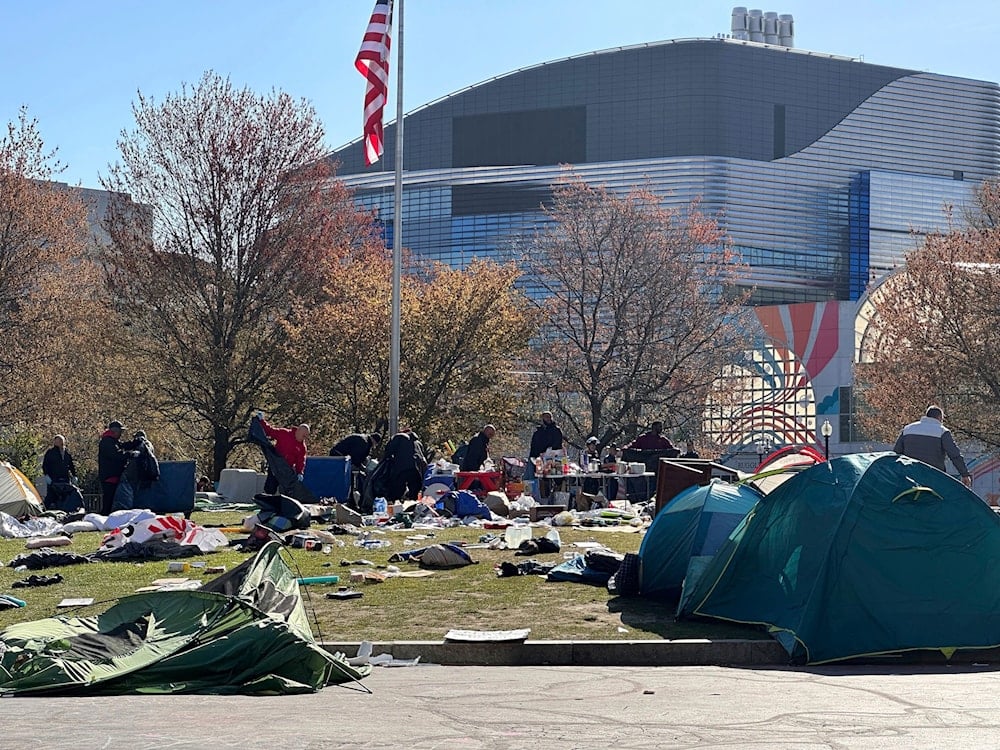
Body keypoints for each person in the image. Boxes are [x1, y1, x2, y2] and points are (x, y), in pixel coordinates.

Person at [893, 405, 972, 487]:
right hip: (934, 477)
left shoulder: (907, 429)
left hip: (910, 476)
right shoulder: (942, 431)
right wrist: (964, 474)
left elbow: (896, 453)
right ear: (939, 417)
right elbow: (954, 455)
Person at [259, 416, 309, 494]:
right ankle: (265, 501)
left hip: (287, 470)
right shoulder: (284, 433)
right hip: (275, 466)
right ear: (298, 431)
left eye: (306, 437)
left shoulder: (302, 447)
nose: (304, 438)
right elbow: (270, 431)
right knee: (270, 487)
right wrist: (262, 420)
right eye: (303, 435)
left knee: (288, 491)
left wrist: (300, 473)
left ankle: (283, 504)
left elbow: (301, 461)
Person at [97, 420, 131, 515]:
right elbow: (116, 454)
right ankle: (105, 516)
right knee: (109, 499)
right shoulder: (107, 442)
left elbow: (122, 445)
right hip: (109, 475)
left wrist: (134, 443)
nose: (121, 434)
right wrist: (130, 454)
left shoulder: (112, 441)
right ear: (115, 431)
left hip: (112, 475)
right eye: (120, 431)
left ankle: (106, 515)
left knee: (110, 498)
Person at [383, 430, 426, 502]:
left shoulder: (398, 438)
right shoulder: (417, 443)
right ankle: (413, 505)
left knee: (397, 489)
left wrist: (386, 459)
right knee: (415, 490)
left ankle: (396, 504)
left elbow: (389, 451)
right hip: (415, 469)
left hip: (401, 468)